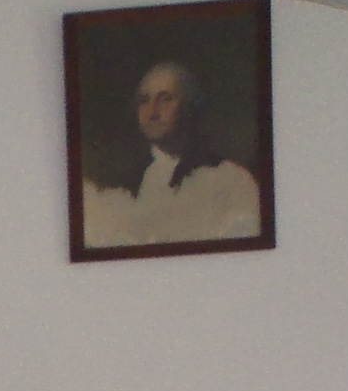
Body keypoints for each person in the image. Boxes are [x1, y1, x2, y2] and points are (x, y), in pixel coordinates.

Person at [82, 60, 261, 249]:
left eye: (165, 98)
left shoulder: (230, 180)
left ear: (188, 105)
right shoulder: (119, 187)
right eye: (144, 101)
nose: (152, 112)